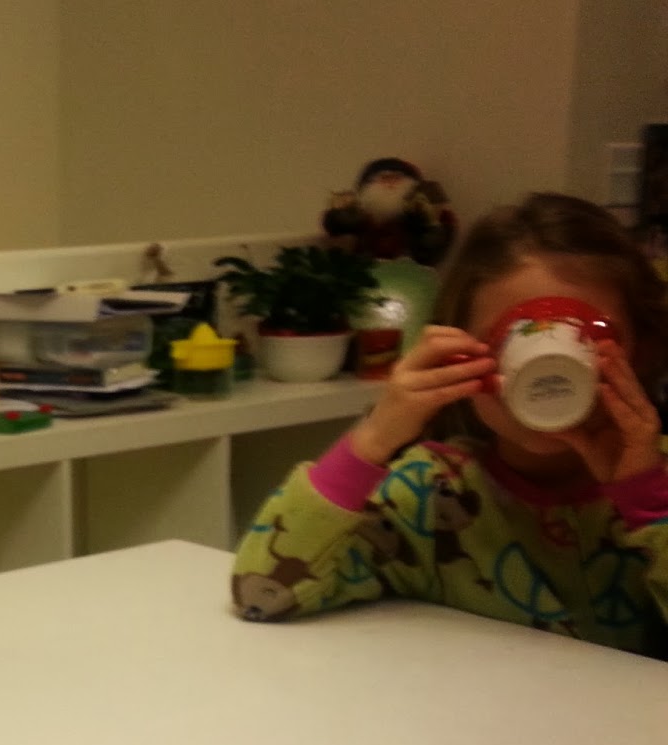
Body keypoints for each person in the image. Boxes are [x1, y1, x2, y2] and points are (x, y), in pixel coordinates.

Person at [232, 192, 668, 654]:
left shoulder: (657, 486)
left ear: (641, 352)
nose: (546, 372)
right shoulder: (431, 495)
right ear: (455, 353)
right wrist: (374, 437)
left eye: (588, 341)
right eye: (508, 341)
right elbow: (262, 593)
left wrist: (648, 501)